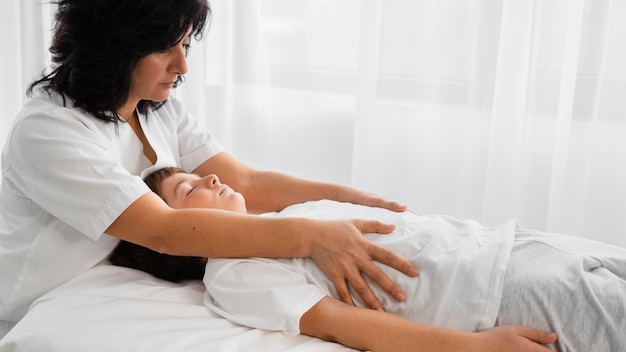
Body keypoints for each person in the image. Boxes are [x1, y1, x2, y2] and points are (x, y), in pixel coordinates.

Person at [0, 0, 422, 339]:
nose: (182, 66)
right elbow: (163, 230)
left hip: (126, 274)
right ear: (114, 45)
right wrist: (312, 238)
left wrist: (352, 198)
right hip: (40, 298)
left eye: (185, 45)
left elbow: (247, 182)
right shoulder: (49, 131)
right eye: (166, 47)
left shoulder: (157, 110)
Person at [112, 167, 626, 352]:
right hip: (497, 294)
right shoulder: (234, 273)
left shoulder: (282, 218)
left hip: (512, 246)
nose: (211, 179)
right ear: (178, 235)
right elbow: (342, 324)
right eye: (187, 189)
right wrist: (472, 350)